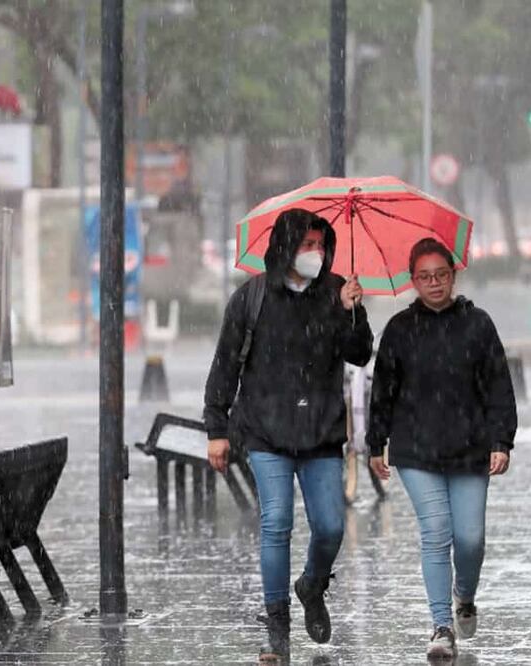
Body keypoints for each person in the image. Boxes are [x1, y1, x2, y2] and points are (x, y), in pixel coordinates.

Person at [204, 208, 372, 664]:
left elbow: (359, 354)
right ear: (284, 247)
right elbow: (224, 366)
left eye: (321, 246)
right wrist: (216, 428)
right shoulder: (252, 298)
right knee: (276, 523)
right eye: (307, 246)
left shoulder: (337, 292)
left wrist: (351, 313)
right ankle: (277, 626)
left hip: (320, 433)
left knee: (331, 527)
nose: (315, 254)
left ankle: (312, 585)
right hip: (265, 432)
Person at [368, 237, 516, 661]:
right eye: (424, 277)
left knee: (470, 539)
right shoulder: (399, 329)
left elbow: (499, 388)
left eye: (441, 275)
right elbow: (383, 392)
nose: (434, 283)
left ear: (454, 275)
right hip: (416, 450)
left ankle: (464, 597)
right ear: (412, 280)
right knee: (436, 534)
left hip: (470, 449)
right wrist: (376, 442)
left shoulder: (479, 324)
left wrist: (501, 440)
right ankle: (440, 626)